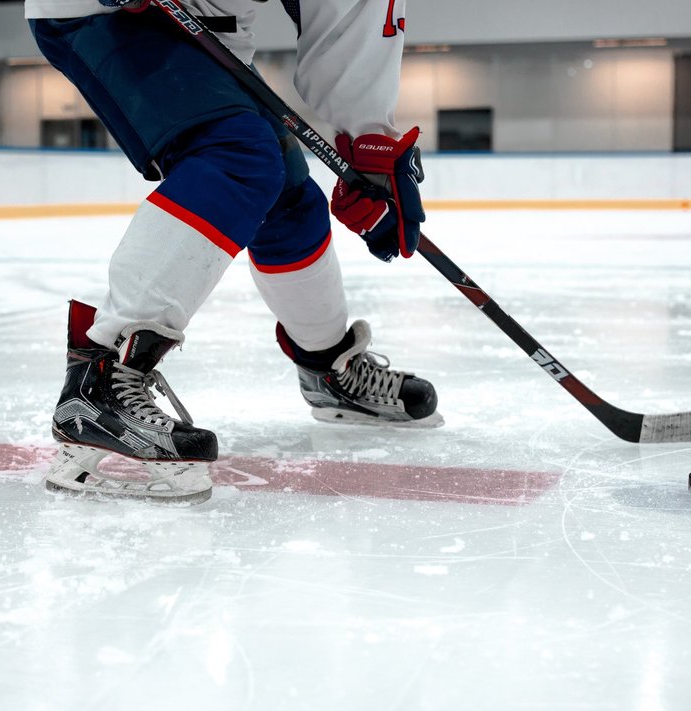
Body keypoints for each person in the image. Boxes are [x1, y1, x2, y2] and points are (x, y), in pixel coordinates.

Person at [27, 0, 439, 504]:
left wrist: (368, 139)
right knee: (237, 156)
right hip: (108, 14)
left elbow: (347, 11)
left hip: (217, 35)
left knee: (288, 198)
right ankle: (102, 381)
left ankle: (329, 367)